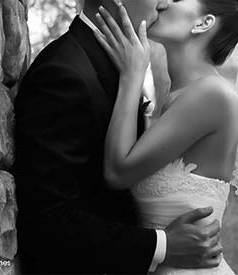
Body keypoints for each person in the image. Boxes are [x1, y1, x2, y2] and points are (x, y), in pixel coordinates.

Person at [13, 0, 223, 273]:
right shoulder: (63, 74)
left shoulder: (116, 64)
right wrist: (162, 246)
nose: (165, 1)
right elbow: (48, 221)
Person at [94, 0, 238, 274]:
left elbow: (117, 172)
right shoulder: (177, 97)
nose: (163, 2)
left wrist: (132, 75)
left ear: (203, 22)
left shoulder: (211, 93)